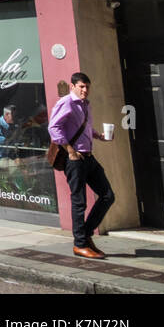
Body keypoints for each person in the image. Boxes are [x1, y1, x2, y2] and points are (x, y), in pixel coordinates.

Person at [49, 72, 115, 260]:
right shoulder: (67, 102)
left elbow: (83, 127)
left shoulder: (85, 104)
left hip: (89, 157)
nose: (85, 90)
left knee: (107, 196)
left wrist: (98, 136)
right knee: (79, 202)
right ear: (72, 86)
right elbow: (54, 127)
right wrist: (70, 150)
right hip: (75, 159)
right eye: (81, 87)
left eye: (87, 87)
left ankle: (85, 234)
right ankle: (79, 244)